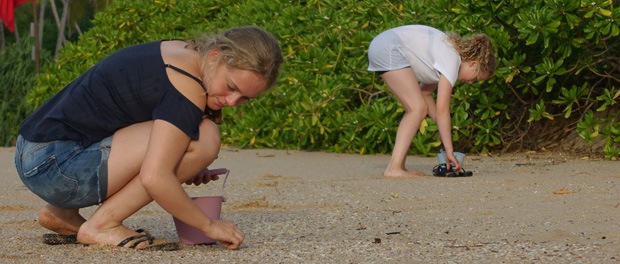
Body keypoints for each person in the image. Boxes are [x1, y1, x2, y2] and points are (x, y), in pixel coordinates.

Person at [13, 26, 283, 250]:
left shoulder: (183, 52)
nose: (233, 101)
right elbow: (155, 177)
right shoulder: (187, 85)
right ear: (215, 55)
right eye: (231, 87)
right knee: (205, 138)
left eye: (246, 98)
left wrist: (184, 163)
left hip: (35, 153)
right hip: (56, 167)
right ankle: (102, 225)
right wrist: (208, 225)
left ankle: (61, 214)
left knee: (188, 145)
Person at [367, 25, 496, 178]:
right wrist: (449, 150)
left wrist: (443, 130)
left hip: (383, 44)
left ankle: (398, 166)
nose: (470, 83)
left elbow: (426, 94)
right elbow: (442, 110)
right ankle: (394, 169)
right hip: (389, 47)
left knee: (417, 107)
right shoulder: (452, 61)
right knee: (417, 109)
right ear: (473, 63)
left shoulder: (445, 59)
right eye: (474, 79)